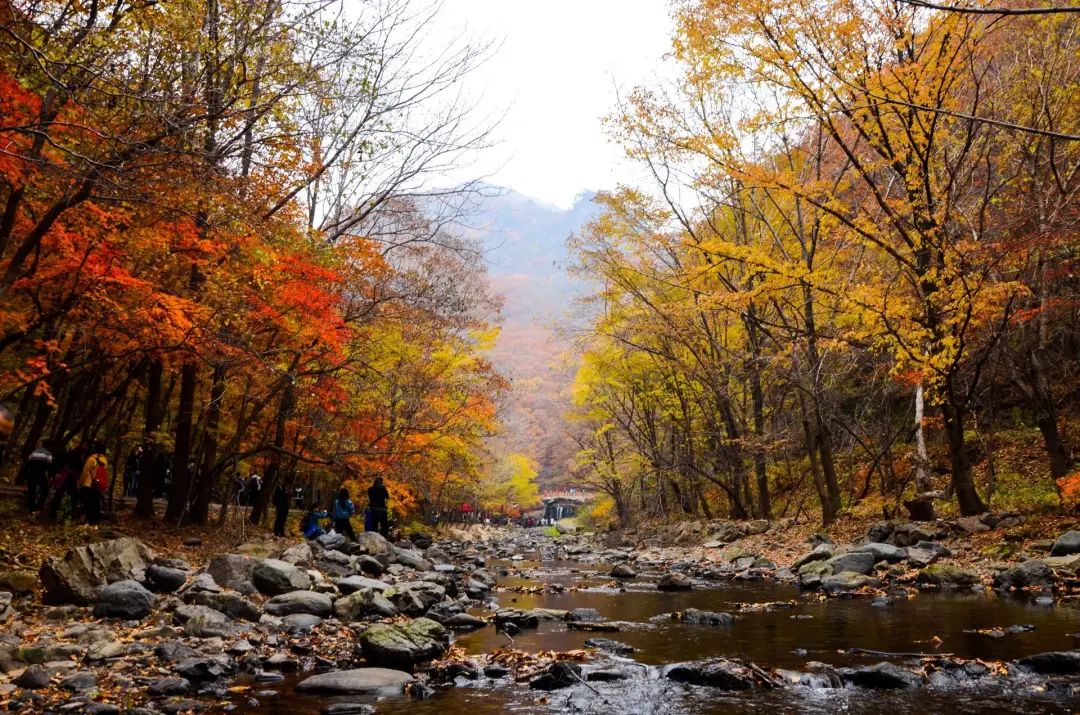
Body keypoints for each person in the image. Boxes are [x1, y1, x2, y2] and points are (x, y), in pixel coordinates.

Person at [78, 444, 108, 525]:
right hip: (98, 486)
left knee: (86, 504)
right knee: (96, 504)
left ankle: (85, 522)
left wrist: (79, 483)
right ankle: (95, 523)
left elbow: (85, 472)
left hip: (88, 484)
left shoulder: (91, 459)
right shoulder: (104, 460)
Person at [20, 446, 52, 512]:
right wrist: (50, 476)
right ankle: (38, 505)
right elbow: (49, 467)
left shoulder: (34, 452)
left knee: (32, 491)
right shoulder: (48, 454)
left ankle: (30, 508)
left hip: (31, 474)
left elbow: (27, 464)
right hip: (41, 474)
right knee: (45, 490)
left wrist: (25, 476)